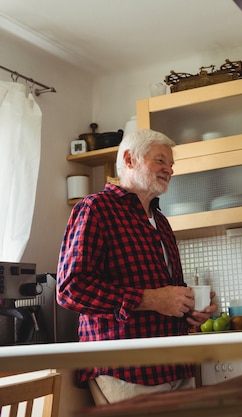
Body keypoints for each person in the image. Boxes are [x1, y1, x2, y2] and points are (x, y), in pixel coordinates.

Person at [57, 129, 217, 404]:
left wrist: (186, 311)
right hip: (126, 369)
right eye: (160, 161)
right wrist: (151, 299)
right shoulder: (95, 208)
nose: (170, 170)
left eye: (171, 164)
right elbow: (71, 289)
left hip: (176, 364)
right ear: (129, 159)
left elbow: (165, 296)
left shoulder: (161, 222)